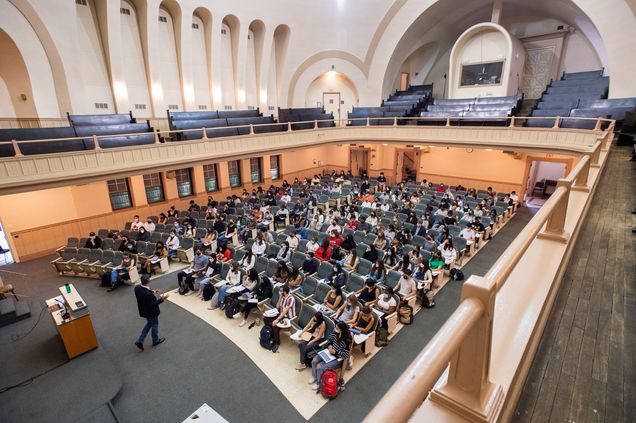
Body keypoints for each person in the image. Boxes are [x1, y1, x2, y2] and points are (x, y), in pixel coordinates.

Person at [308, 321, 351, 391]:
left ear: (342, 330)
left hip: (336, 358)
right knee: (314, 360)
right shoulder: (335, 333)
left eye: (337, 328)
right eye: (336, 327)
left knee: (319, 366)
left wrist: (336, 352)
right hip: (329, 352)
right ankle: (314, 376)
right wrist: (330, 346)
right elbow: (329, 341)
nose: (335, 329)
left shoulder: (346, 340)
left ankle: (319, 383)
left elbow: (346, 354)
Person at [134, 275, 169, 351]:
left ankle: (140, 340)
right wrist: (162, 299)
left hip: (144, 311)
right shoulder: (148, 294)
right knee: (154, 325)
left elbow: (144, 292)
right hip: (152, 312)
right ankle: (155, 341)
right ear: (148, 281)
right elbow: (153, 304)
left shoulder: (137, 288)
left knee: (149, 324)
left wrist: (153, 291)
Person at [263, 285, 297, 353]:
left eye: (281, 291)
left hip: (287, 317)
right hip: (280, 314)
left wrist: (277, 320)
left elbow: (285, 311)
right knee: (266, 318)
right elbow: (277, 306)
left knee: (275, 326)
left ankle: (277, 343)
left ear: (284, 292)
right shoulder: (282, 296)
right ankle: (270, 334)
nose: (279, 292)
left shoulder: (291, 299)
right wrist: (280, 298)